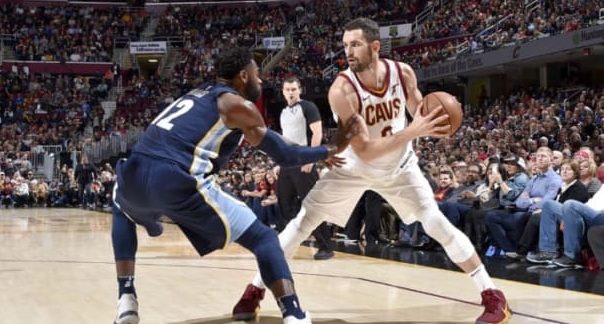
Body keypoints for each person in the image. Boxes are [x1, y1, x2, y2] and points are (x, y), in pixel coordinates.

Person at [232, 17, 510, 324]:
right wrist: (414, 131)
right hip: (355, 166)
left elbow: (420, 112)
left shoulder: (402, 73)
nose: (348, 51)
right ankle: (255, 289)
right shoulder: (342, 89)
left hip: (400, 168)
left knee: (436, 223)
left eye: (355, 44)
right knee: (301, 224)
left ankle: (492, 295)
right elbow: (364, 148)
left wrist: (439, 121)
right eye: (345, 45)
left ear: (375, 46)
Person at [111, 47, 361, 324]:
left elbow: (279, 143)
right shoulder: (236, 105)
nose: (261, 81)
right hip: (175, 179)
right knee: (264, 239)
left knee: (120, 206)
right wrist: (331, 148)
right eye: (257, 74)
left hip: (133, 173)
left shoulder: (197, 93)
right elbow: (286, 156)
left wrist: (317, 154)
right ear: (243, 76)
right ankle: (294, 315)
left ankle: (126, 298)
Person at [276, 76, 334, 260]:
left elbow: (317, 133)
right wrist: (279, 163)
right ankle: (288, 245)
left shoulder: (308, 107)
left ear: (299, 90)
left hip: (304, 162)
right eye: (287, 89)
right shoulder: (283, 112)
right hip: (288, 163)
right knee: (285, 205)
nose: (291, 92)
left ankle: (326, 246)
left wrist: (311, 158)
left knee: (311, 206)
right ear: (283, 92)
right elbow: (284, 139)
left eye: (294, 89)